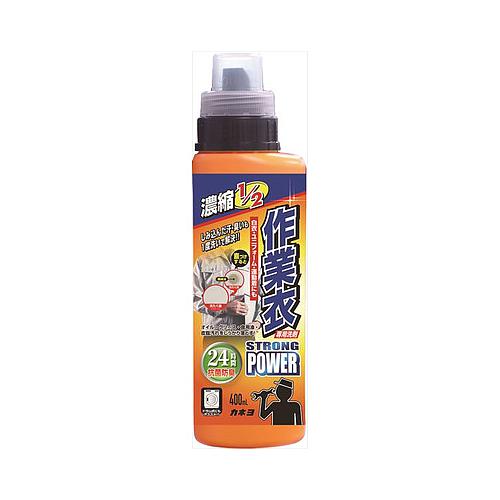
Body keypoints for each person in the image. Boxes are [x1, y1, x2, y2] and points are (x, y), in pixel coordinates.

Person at [193, 247, 262, 329]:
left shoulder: (255, 260)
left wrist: (258, 322)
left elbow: (267, 296)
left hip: (246, 331)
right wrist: (223, 308)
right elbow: (195, 297)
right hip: (214, 331)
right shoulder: (203, 260)